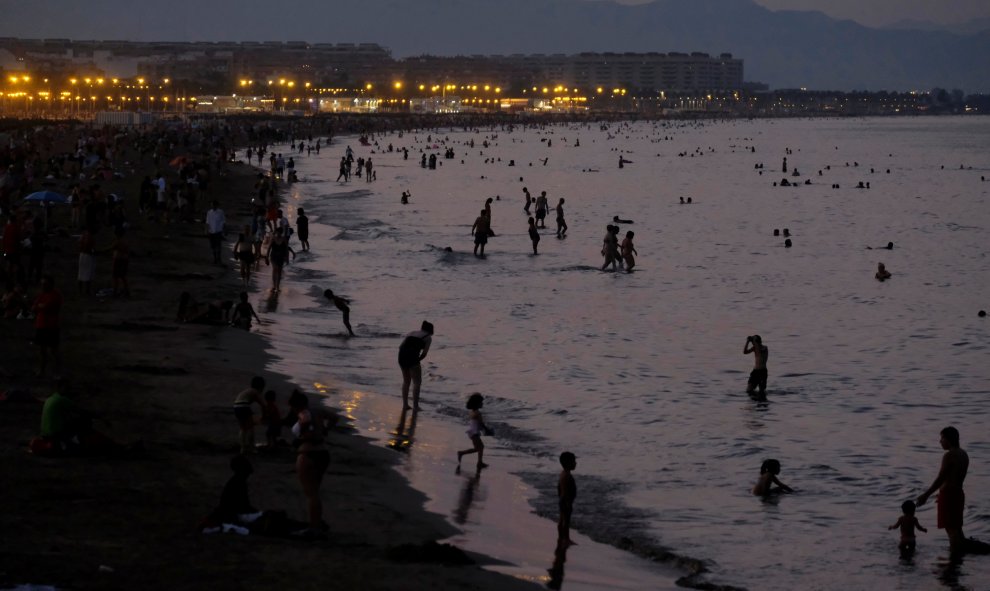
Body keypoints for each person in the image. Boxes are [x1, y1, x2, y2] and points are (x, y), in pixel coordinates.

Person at [287, 390, 333, 537]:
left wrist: (302, 438)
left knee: (311, 493)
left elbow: (308, 428)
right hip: (323, 454)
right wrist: (325, 429)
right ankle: (316, 522)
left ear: (296, 406)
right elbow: (335, 418)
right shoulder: (318, 411)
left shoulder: (303, 414)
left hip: (308, 454)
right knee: (315, 492)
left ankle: (314, 528)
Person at [917, 426, 969, 553]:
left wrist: (926, 495)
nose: (940, 441)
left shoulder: (949, 455)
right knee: (957, 529)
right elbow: (952, 477)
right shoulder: (963, 454)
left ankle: (953, 562)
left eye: (942, 438)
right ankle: (959, 562)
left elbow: (941, 477)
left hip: (949, 495)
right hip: (958, 493)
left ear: (948, 439)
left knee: (951, 531)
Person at [398, 321, 434, 410]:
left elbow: (400, 346)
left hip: (401, 357)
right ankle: (416, 406)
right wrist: (417, 360)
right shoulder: (428, 337)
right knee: (417, 382)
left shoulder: (411, 333)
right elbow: (424, 353)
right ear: (431, 330)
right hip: (412, 359)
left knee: (406, 381)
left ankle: (405, 405)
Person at [32, 274, 62, 377]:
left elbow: (43, 307)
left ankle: (56, 371)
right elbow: (35, 307)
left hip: (51, 326)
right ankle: (43, 370)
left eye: (45, 284)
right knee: (42, 350)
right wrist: (40, 306)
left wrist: (40, 306)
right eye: (42, 284)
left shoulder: (55, 296)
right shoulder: (43, 295)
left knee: (53, 350)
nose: (43, 287)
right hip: (42, 325)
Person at [456, 393, 493, 471]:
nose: (482, 404)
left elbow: (476, 423)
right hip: (474, 433)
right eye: (481, 402)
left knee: (480, 447)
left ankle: (479, 462)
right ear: (477, 403)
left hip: (472, 432)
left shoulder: (472, 411)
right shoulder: (478, 413)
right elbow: (481, 423)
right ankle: (462, 453)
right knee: (478, 448)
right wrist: (487, 430)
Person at [233, 376, 266, 455]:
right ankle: (252, 447)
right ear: (261, 387)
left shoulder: (249, 391)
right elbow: (263, 405)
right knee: (250, 427)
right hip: (244, 406)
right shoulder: (255, 392)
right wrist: (264, 416)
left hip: (236, 406)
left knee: (243, 428)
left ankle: (243, 448)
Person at [557, 451, 577, 545]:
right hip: (566, 501)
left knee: (562, 520)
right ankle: (566, 539)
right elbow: (564, 491)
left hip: (564, 500)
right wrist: (567, 502)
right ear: (568, 463)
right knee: (566, 521)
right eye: (573, 461)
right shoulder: (566, 476)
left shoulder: (564, 474)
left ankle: (562, 537)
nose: (575, 463)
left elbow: (559, 488)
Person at [205, 200, 226, 265]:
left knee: (218, 246)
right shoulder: (209, 212)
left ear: (217, 205)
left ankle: (218, 259)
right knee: (213, 246)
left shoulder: (220, 212)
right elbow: (207, 222)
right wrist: (206, 230)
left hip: (218, 231)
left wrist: (225, 229)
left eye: (214, 205)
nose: (213, 206)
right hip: (211, 231)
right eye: (212, 205)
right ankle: (215, 259)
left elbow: (223, 221)